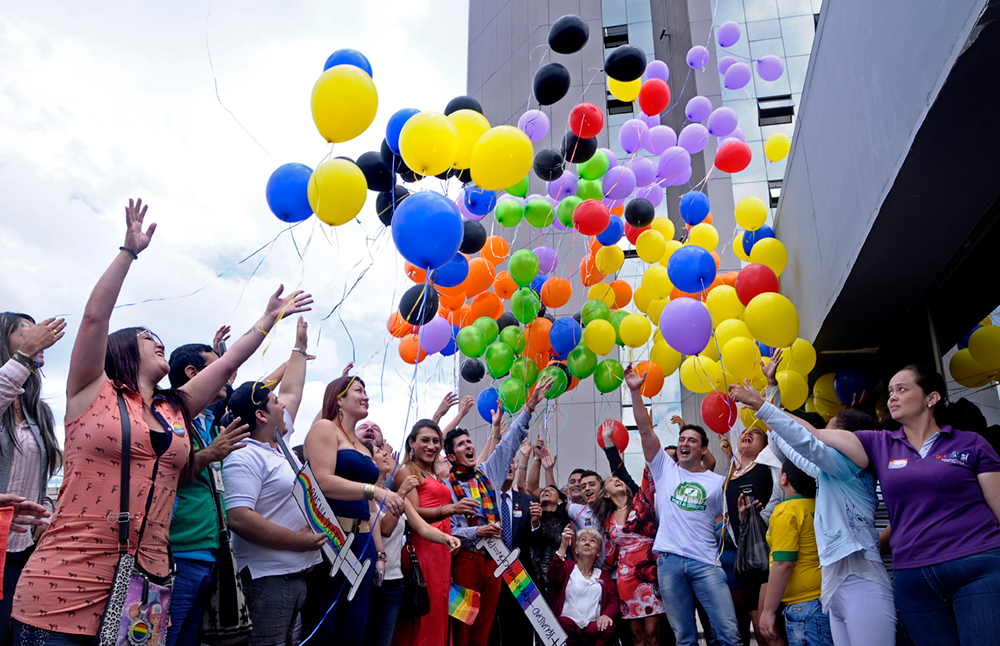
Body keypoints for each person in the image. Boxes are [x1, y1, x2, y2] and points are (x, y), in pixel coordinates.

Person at [12, 198, 300, 642]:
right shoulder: (90, 390)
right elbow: (94, 318)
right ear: (123, 351)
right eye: (149, 338)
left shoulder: (174, 409)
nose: (159, 342)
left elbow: (225, 367)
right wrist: (128, 253)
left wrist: (267, 320)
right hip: (66, 580)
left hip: (144, 585)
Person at [807, 364, 1000, 645]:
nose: (892, 397)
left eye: (902, 389)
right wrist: (763, 403)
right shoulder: (880, 444)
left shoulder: (972, 443)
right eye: (889, 391)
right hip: (914, 579)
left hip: (976, 566)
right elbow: (815, 435)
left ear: (931, 398)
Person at [166, 316, 312, 645]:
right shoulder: (183, 425)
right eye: (218, 367)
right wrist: (300, 541)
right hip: (181, 555)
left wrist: (298, 350)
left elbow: (287, 390)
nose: (226, 375)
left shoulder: (220, 431)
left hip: (210, 555)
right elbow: (238, 516)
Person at [731, 382, 897, 646]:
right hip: (834, 587)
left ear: (850, 440)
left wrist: (763, 408)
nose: (822, 437)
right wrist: (768, 407)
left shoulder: (851, 469)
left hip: (861, 583)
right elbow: (793, 449)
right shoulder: (829, 474)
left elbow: (806, 443)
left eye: (828, 434)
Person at [625, 364, 742, 646]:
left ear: (703, 449)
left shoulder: (716, 482)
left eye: (692, 440)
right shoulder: (665, 468)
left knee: (729, 633)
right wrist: (634, 391)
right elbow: (644, 429)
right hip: (669, 562)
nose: (684, 443)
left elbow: (729, 521)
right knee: (684, 638)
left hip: (706, 563)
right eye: (681, 440)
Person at [446, 376, 553, 646]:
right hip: (466, 564)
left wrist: (529, 406)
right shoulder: (446, 487)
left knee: (484, 632)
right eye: (461, 445)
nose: (468, 447)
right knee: (463, 630)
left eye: (468, 442)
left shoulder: (487, 473)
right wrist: (477, 531)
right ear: (450, 457)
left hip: (494, 564)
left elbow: (510, 442)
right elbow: (449, 531)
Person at [301, 375, 404, 644]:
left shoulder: (363, 448)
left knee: (356, 628)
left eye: (366, 390)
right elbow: (323, 481)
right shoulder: (324, 429)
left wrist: (379, 553)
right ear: (339, 399)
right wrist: (376, 490)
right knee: (323, 626)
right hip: (332, 540)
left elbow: (370, 510)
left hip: (363, 543)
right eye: (359, 390)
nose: (366, 396)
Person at [223, 380, 327, 646]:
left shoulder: (280, 453)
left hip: (292, 576)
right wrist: (299, 542)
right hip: (265, 579)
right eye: (276, 401)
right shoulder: (244, 455)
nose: (284, 406)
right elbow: (238, 517)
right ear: (261, 414)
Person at [0, 312, 64, 645]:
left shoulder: (38, 412)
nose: (37, 334)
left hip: (20, 550)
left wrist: (44, 513)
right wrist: (23, 358)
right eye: (24, 330)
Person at [367, 442, 460, 646]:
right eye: (377, 451)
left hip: (395, 580)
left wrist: (447, 538)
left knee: (384, 641)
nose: (385, 454)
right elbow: (385, 528)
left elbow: (423, 528)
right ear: (366, 460)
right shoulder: (365, 493)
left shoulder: (396, 495)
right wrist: (401, 494)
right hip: (370, 579)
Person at [393, 417, 475, 646]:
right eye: (425, 440)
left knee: (439, 612)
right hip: (422, 549)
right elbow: (413, 514)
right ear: (411, 442)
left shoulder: (436, 475)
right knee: (422, 614)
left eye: (436, 441)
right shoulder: (406, 471)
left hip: (443, 551)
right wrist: (451, 508)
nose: (431, 446)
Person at [597, 421, 664, 646]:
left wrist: (609, 442)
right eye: (610, 481)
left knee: (653, 634)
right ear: (605, 495)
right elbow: (610, 554)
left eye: (619, 480)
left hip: (650, 572)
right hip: (625, 578)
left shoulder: (641, 500)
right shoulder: (607, 521)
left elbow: (619, 469)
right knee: (635, 636)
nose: (616, 480)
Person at [757, 460, 832, 645]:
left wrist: (768, 611)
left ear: (783, 479)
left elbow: (783, 563)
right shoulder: (823, 505)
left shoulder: (786, 511)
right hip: (830, 595)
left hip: (805, 605)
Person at [489, 454, 541, 646]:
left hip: (520, 574)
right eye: (504, 461)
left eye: (512, 461)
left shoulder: (527, 501)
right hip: (490, 574)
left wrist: (535, 524)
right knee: (489, 629)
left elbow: (535, 542)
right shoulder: (485, 499)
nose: (509, 465)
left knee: (519, 630)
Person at [548, 525, 619, 646]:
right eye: (583, 540)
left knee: (609, 628)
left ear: (598, 551)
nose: (587, 543)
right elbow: (553, 576)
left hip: (593, 624)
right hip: (568, 623)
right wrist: (563, 545)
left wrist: (606, 615)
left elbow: (613, 601)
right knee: (562, 624)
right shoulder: (567, 568)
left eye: (592, 541)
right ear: (576, 549)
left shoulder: (603, 576)